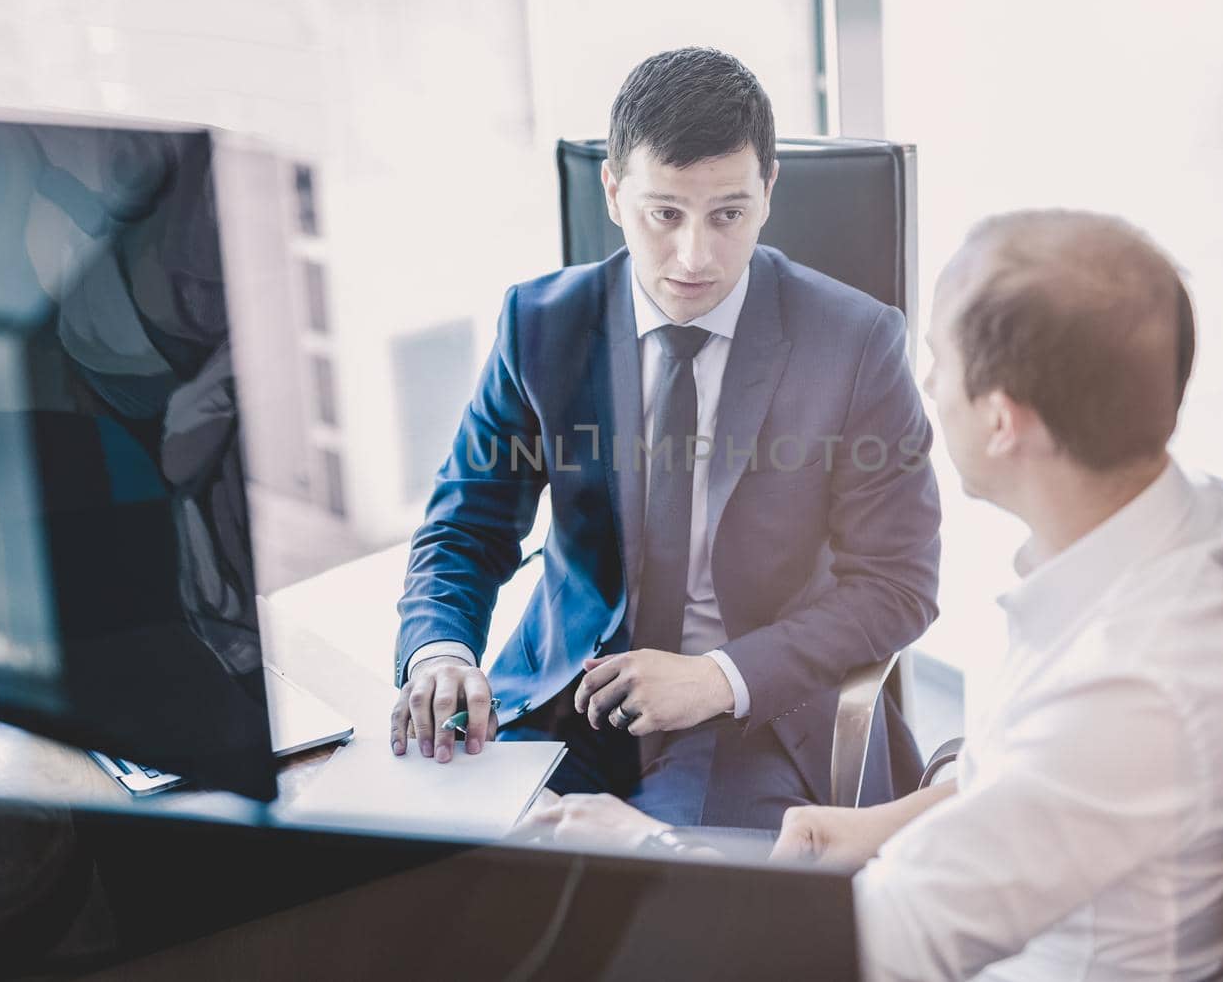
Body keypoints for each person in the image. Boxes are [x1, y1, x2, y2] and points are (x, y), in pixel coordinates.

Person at [524, 209, 1223, 980]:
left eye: (938, 363)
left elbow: (860, 949)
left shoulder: (1124, 688)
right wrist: (875, 827)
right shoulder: (1208, 519)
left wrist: (648, 850)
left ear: (1000, 421)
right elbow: (1038, 789)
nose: (924, 385)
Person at [390, 47, 941, 830]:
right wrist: (439, 651)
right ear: (614, 193)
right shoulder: (539, 326)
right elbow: (463, 526)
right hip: (562, 699)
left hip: (751, 719)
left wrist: (717, 676)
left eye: (728, 214)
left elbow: (898, 583)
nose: (695, 256)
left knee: (677, 919)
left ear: (768, 192)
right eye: (665, 213)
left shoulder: (857, 344)